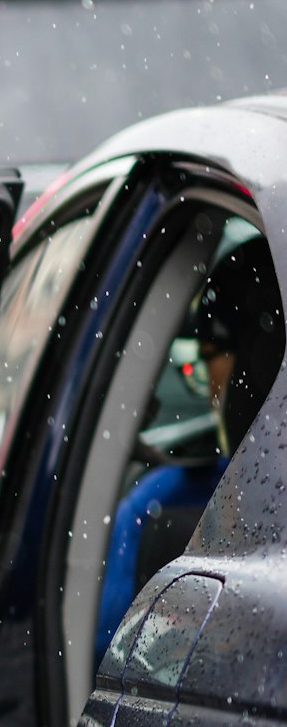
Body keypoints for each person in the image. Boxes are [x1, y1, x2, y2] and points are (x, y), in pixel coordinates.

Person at [95, 236, 284, 659]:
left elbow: (113, 654)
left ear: (255, 366)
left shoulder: (161, 505)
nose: (211, 391)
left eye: (208, 361)